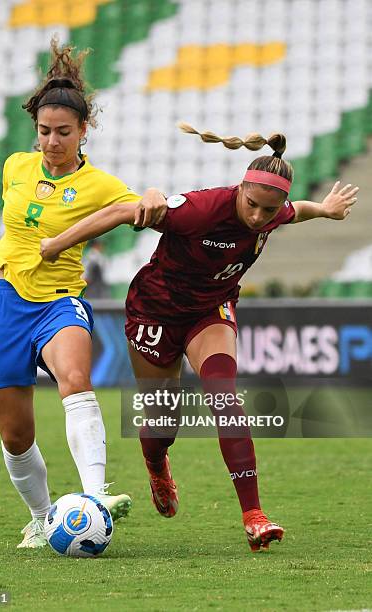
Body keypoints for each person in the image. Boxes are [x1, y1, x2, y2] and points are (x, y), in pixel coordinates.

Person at [40, 122, 358, 551]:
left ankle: (254, 515)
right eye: (253, 205)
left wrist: (325, 208)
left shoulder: (274, 211)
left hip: (210, 312)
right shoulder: (201, 209)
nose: (259, 218)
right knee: (163, 421)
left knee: (225, 398)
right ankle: (156, 462)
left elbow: (295, 210)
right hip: (155, 311)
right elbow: (120, 212)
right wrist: (56, 244)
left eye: (269, 211)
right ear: (240, 187)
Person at [0, 38, 167, 549]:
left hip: (58, 300)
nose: (51, 142)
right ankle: (41, 516)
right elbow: (18, 227)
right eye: (44, 132)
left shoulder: (99, 184)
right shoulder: (15, 166)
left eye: (62, 132)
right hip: (3, 299)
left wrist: (151, 194)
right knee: (15, 436)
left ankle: (95, 498)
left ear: (83, 131)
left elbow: (140, 207)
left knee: (76, 380)